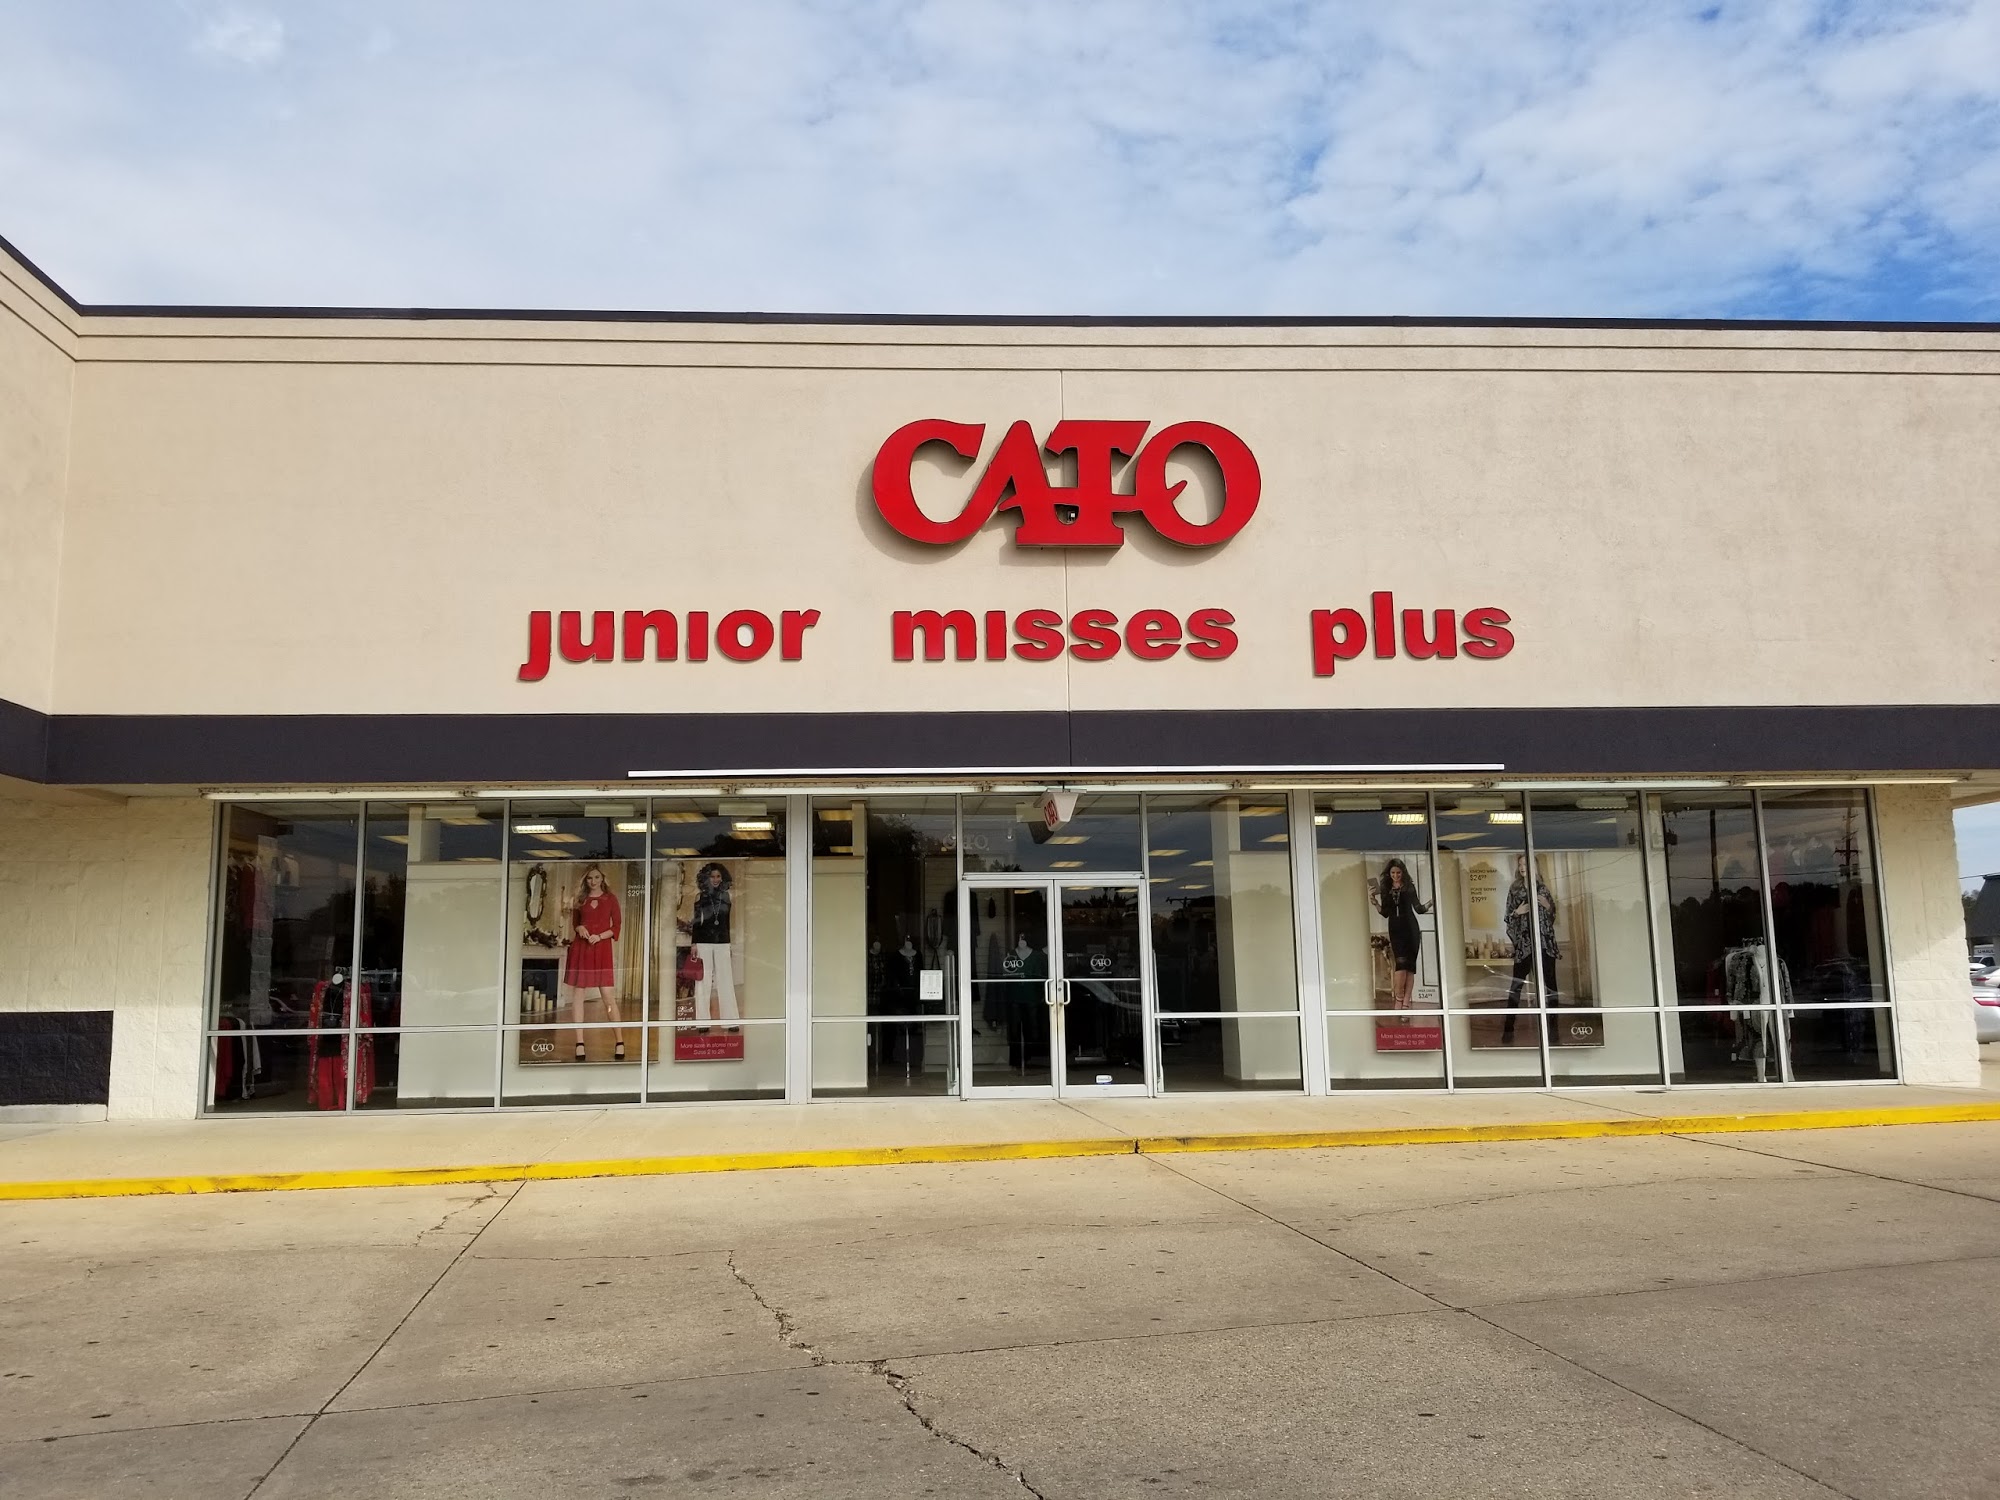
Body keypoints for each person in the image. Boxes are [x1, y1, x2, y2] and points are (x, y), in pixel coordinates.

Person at [563, 864, 624, 1061]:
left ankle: (619, 1041)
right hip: (582, 949)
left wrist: (600, 936)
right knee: (578, 995)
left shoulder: (611, 899)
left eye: (597, 877)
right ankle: (579, 1043)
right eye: (589, 878)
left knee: (608, 997)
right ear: (585, 880)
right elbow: (575, 924)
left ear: (602, 878)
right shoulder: (580, 900)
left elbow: (617, 926)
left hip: (602, 949)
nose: (593, 881)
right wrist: (580, 928)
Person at [1501, 854, 1559, 1043]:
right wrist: (1517, 912)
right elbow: (1508, 917)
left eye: (1526, 863)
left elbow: (1552, 916)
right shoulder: (1514, 889)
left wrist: (1548, 907)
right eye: (1520, 864)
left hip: (1544, 944)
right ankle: (1508, 1029)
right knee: (1516, 987)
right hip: (1525, 945)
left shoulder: (1543, 889)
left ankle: (1554, 1030)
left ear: (1535, 866)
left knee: (1551, 987)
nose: (1522, 867)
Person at [1371, 858, 1431, 1009]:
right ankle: (1399, 999)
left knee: (1410, 968)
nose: (1396, 875)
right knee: (1401, 965)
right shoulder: (1385, 888)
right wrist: (1376, 904)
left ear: (1403, 872)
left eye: (1398, 872)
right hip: (1396, 930)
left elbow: (1419, 909)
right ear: (1389, 873)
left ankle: (1406, 1003)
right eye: (1393, 873)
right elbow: (1385, 913)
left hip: (1411, 929)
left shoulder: (1409, 887)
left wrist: (1431, 902)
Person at [689, 862, 740, 1032]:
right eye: (712, 876)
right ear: (706, 878)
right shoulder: (700, 897)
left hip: (722, 942)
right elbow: (696, 922)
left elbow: (726, 922)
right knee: (703, 982)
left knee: (726, 980)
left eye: (718, 876)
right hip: (703, 941)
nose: (716, 879)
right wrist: (694, 943)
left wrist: (728, 944)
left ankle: (731, 1021)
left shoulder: (726, 896)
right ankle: (702, 1022)